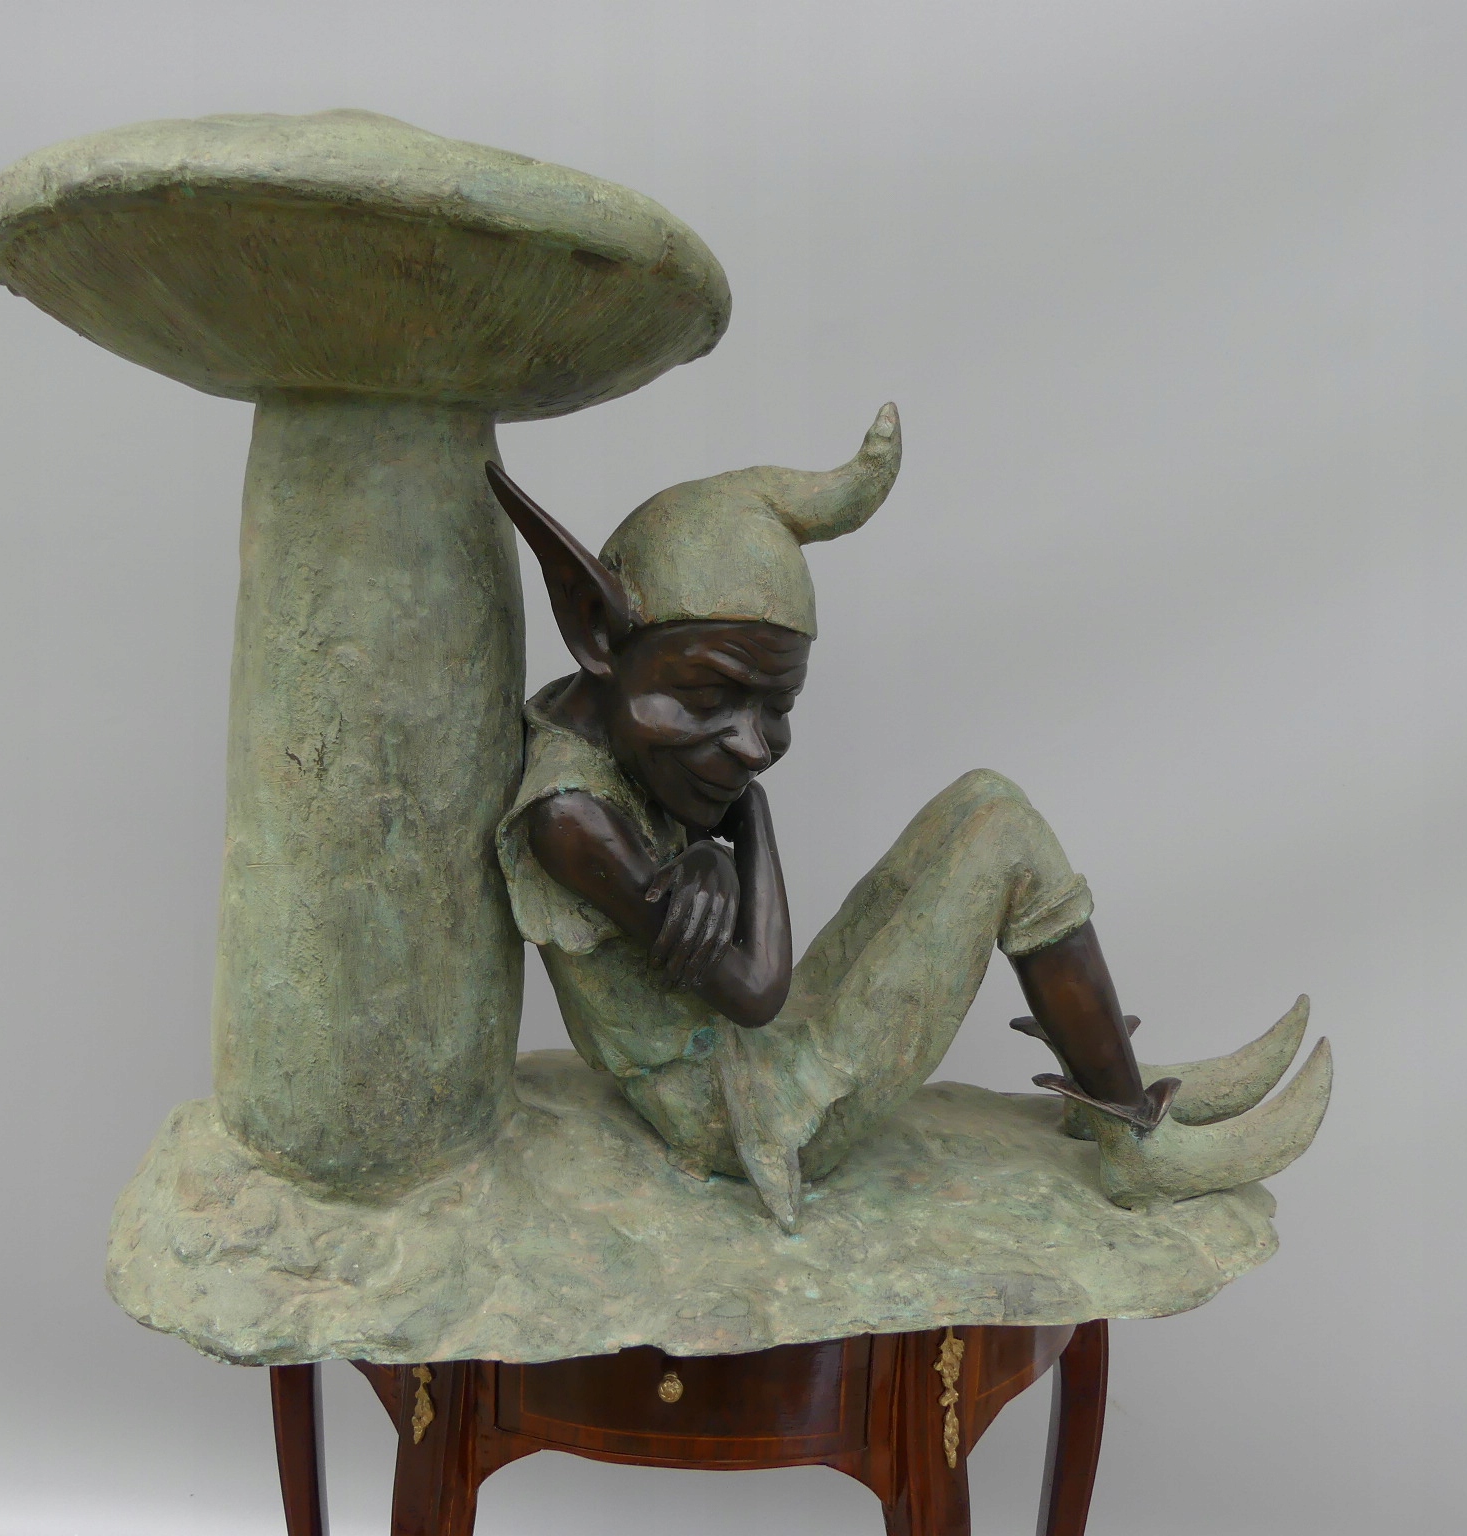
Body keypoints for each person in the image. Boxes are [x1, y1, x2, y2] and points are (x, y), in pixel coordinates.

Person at [487, 407, 1327, 1230]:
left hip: (761, 1050)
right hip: (753, 1109)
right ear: (598, 633)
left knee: (986, 796)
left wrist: (712, 854)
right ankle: (1135, 1143)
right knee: (1005, 843)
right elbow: (755, 991)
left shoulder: (591, 719)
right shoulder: (569, 817)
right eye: (709, 697)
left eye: (776, 708)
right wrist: (748, 822)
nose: (753, 746)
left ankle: (1110, 1082)